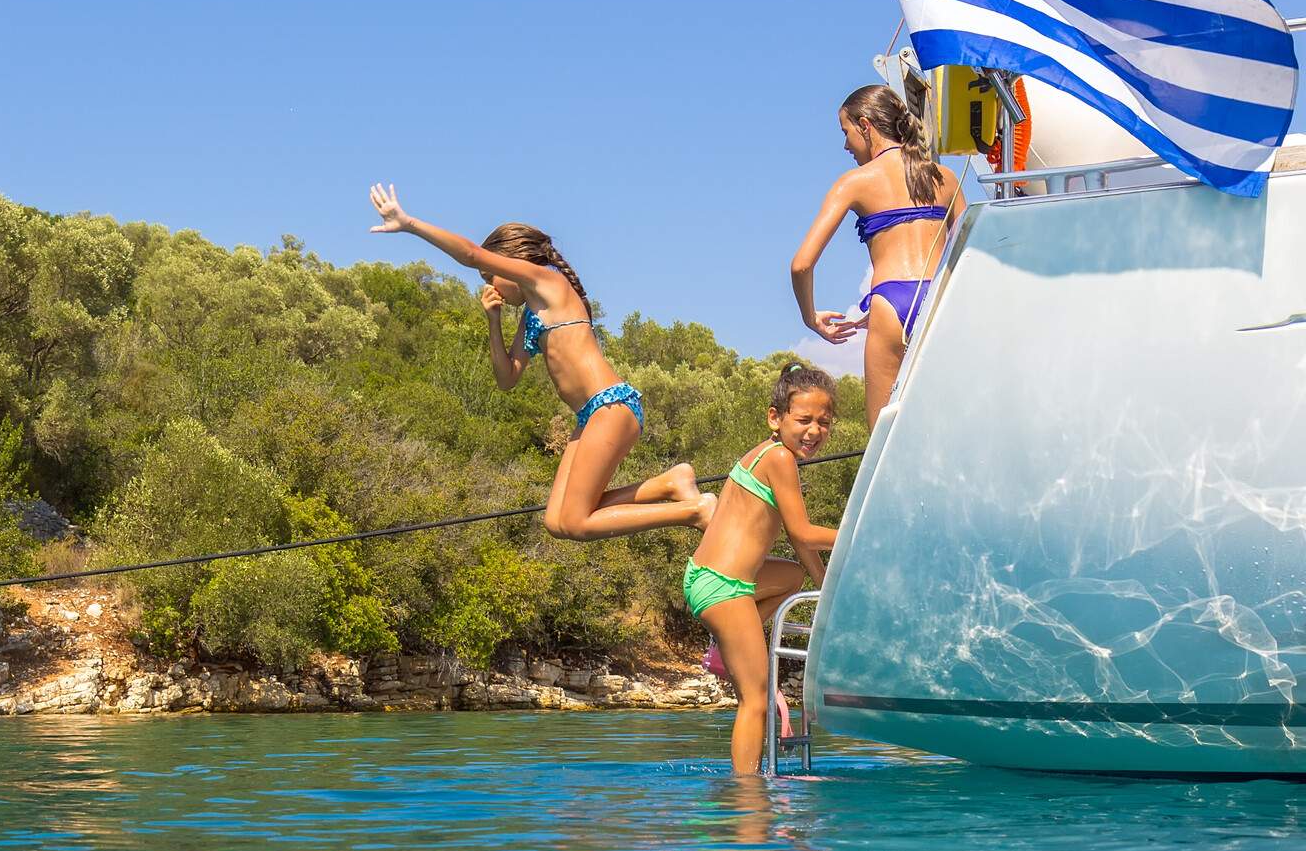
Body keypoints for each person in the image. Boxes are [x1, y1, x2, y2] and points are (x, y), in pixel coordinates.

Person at [366, 183, 712, 540]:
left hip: (612, 405)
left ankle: (694, 511)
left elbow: (470, 253)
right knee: (558, 521)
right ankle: (669, 484)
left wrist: (409, 224)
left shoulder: (547, 280)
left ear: (514, 263)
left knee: (577, 520)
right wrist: (494, 320)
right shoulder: (533, 316)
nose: (492, 287)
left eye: (491, 277)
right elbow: (507, 378)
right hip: (590, 415)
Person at [685, 365, 839, 774]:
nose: (814, 430)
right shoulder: (779, 460)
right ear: (776, 418)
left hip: (710, 577)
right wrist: (859, 534)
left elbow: (801, 546)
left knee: (792, 576)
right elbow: (804, 531)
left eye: (824, 422)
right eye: (804, 420)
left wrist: (827, 588)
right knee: (754, 700)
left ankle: (727, 648)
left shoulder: (766, 454)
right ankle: (747, 792)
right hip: (723, 587)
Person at [791, 84, 965, 429]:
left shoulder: (855, 182)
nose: (845, 145)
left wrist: (810, 318)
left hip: (890, 303)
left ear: (865, 126)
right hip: (942, 300)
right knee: (949, 428)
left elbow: (801, 264)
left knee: (883, 441)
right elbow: (966, 253)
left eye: (846, 132)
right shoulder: (945, 177)